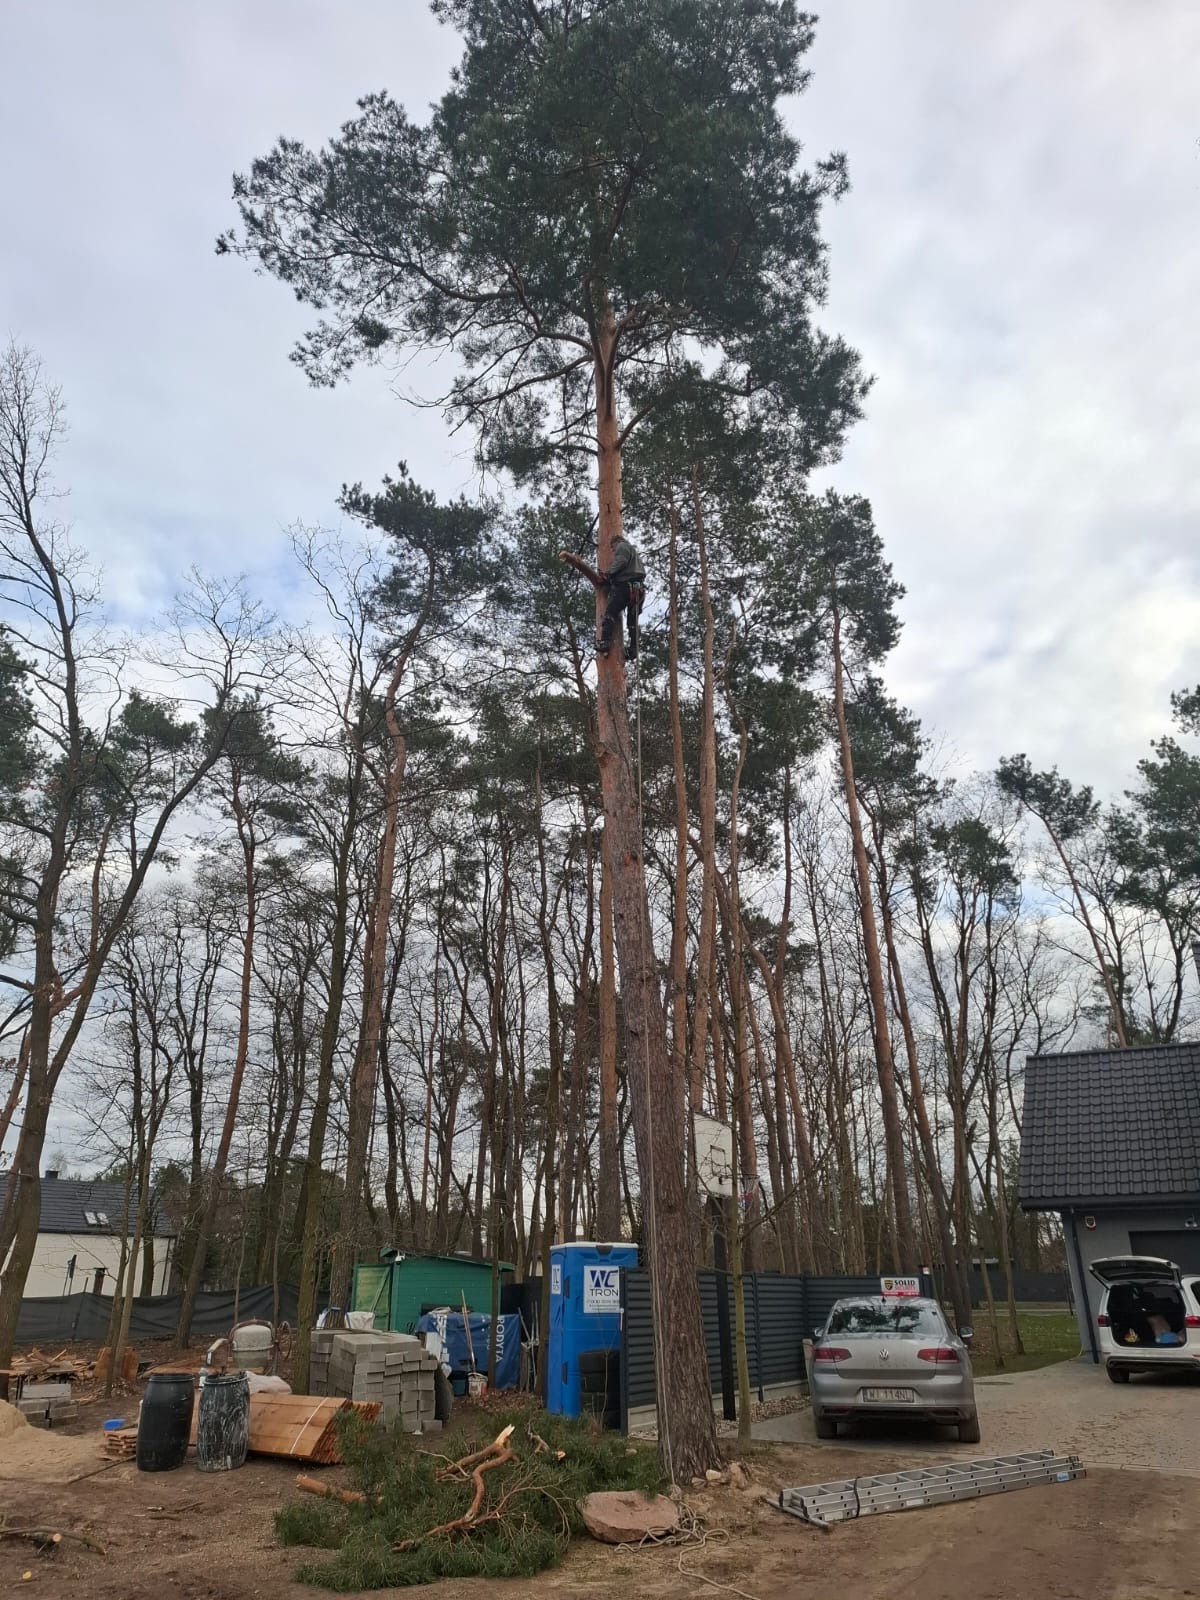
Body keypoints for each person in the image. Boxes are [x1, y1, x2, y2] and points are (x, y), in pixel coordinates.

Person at [596, 534, 645, 660]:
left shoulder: (622, 546)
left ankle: (605, 642)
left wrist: (608, 574)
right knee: (632, 621)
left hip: (625, 587)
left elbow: (620, 561)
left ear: (617, 541)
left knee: (610, 612)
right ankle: (633, 650)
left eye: (613, 548)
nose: (613, 551)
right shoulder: (634, 554)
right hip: (638, 589)